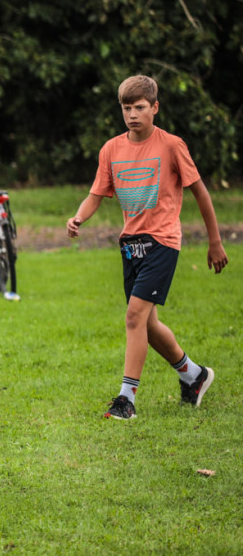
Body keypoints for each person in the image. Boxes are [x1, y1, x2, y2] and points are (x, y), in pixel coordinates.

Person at [66, 74, 228, 420]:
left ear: (155, 108)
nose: (132, 114)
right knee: (148, 324)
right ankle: (193, 375)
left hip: (162, 242)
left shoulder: (171, 146)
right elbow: (97, 193)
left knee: (134, 317)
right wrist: (79, 217)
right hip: (131, 244)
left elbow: (201, 192)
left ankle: (127, 400)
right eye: (127, 108)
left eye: (140, 107)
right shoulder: (111, 149)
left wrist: (215, 241)